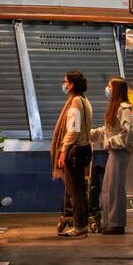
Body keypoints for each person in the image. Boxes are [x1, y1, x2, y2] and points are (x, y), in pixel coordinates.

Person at [91, 77, 133, 235]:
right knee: (109, 187)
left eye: (109, 86)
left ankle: (116, 224)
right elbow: (109, 130)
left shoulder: (123, 108)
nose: (107, 89)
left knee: (115, 188)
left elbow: (130, 131)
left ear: (115, 89)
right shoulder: (116, 107)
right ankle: (111, 222)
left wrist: (111, 142)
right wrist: (91, 135)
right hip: (114, 152)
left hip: (119, 152)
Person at [51, 70, 93, 238]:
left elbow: (73, 129)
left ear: (72, 84)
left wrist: (63, 150)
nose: (65, 85)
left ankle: (78, 226)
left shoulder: (75, 102)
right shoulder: (84, 100)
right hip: (83, 149)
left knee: (74, 190)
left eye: (66, 82)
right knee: (80, 190)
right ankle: (81, 224)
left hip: (74, 150)